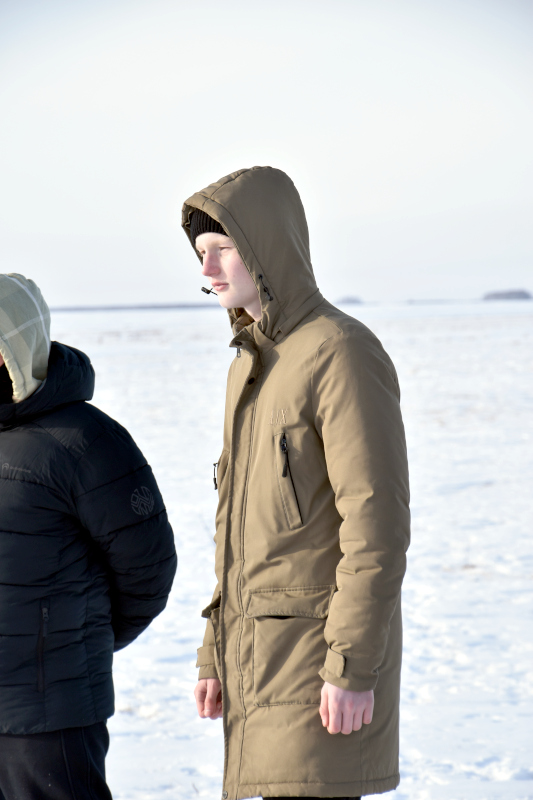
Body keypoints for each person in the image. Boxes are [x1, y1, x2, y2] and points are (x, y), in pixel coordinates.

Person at [182, 167, 411, 800]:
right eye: (201, 253)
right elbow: (239, 536)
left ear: (267, 245)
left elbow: (376, 527)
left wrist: (352, 665)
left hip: (318, 666)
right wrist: (215, 651)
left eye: (223, 247)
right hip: (259, 660)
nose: (208, 268)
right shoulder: (251, 365)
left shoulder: (341, 352)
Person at [0, 273, 177, 800]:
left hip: (47, 714)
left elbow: (148, 569)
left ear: (13, 349)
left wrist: (78, 640)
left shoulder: (86, 441)